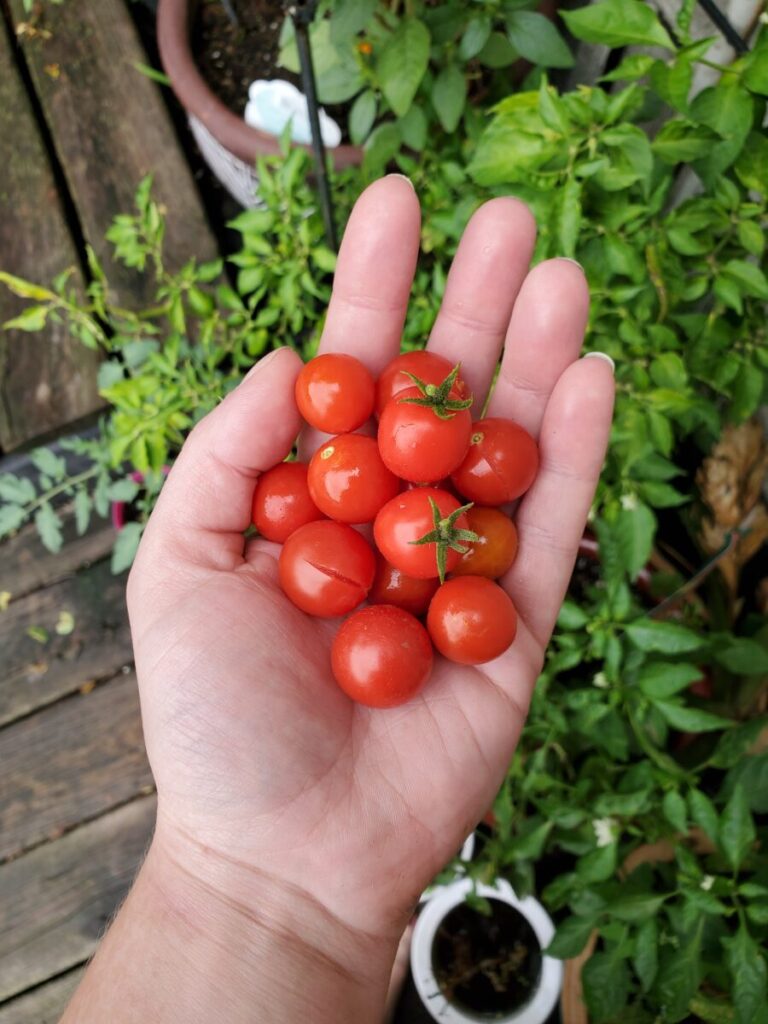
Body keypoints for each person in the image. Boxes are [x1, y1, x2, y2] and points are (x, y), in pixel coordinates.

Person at [61, 175, 614, 1023]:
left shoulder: (422, 510)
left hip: (413, 549)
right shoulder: (394, 514)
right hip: (403, 553)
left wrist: (247, 900)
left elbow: (425, 514)